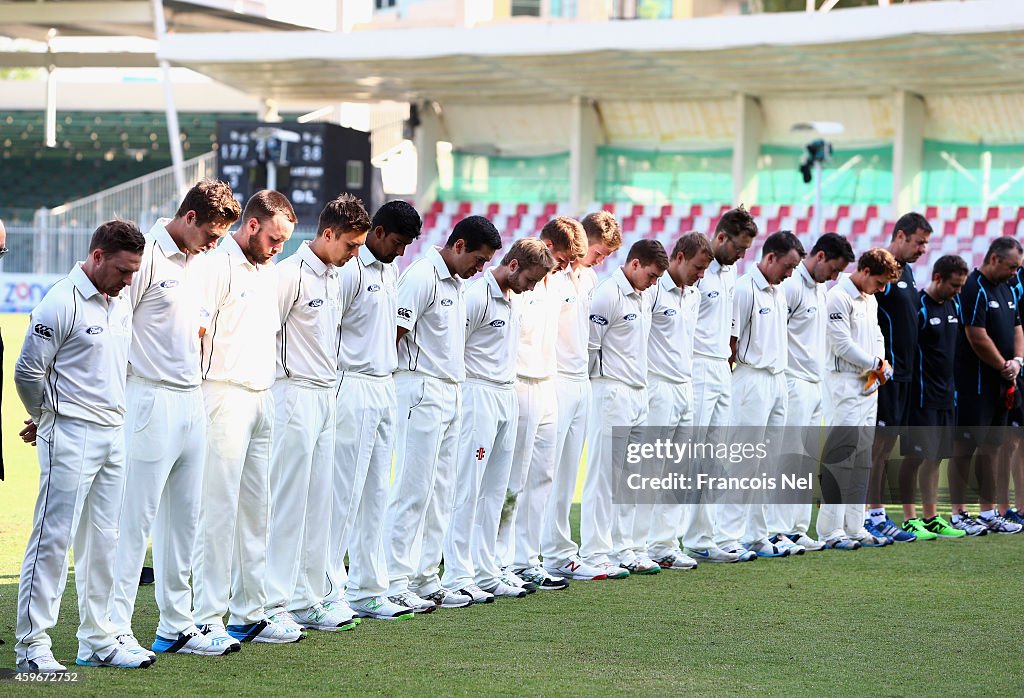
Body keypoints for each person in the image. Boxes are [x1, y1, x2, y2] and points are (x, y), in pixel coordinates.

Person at [109, 180, 241, 659]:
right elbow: (114, 330)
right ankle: (114, 628)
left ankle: (176, 625)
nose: (215, 242)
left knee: (185, 521)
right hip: (148, 397)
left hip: (191, 399)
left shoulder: (201, 263)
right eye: (211, 232)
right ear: (188, 218)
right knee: (134, 519)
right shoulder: (144, 258)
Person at [14, 220, 148, 672]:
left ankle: (98, 638)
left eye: (134, 271)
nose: (129, 280)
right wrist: (49, 416)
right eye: (123, 270)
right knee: (53, 539)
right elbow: (27, 373)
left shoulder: (120, 297)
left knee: (106, 539)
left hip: (114, 432)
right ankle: (32, 647)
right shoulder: (60, 303)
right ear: (96, 257)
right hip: (70, 434)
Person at [192, 190, 300, 645]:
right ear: (251, 225)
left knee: (257, 510)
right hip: (222, 394)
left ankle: (248, 612)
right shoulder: (215, 266)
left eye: (284, 241)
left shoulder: (270, 271)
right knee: (216, 510)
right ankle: (205, 616)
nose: (278, 247)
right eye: (274, 237)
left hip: (261, 395)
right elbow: (195, 334)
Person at [383, 215, 501, 610]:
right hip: (420, 387)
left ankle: (425, 576)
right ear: (460, 244)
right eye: (479, 259)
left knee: (440, 491)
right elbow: (394, 336)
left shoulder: (456, 283)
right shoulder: (421, 276)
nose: (481, 268)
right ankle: (394, 578)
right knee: (413, 488)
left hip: (451, 391)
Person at [264, 194, 370, 633]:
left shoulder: (334, 277)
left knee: (319, 502)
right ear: (327, 234)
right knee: (286, 502)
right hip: (292, 394)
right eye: (351, 244)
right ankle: (270, 602)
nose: (355, 254)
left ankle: (308, 599)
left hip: (327, 393)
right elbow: (262, 335)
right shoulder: (288, 275)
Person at [442, 238, 555, 602]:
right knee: (468, 486)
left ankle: (486, 569)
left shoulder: (513, 299)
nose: (532, 287)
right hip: (478, 393)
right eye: (531, 279)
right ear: (513, 266)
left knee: (498, 489)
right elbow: (453, 348)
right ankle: (458, 573)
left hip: (507, 393)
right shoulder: (475, 296)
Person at [326, 200, 422, 620]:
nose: (401, 252)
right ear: (378, 232)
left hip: (385, 385)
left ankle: (368, 588)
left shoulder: (391, 269)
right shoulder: (348, 268)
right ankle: (328, 590)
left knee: (375, 492)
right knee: (342, 493)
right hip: (352, 382)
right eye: (398, 243)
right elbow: (329, 332)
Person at [499, 216, 585, 591]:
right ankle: (499, 561)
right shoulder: (521, 281)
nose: (565, 267)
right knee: (509, 480)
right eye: (562, 258)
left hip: (548, 383)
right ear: (546, 246)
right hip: (517, 383)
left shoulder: (559, 282)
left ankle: (526, 559)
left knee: (541, 477)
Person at [581, 239, 669, 575]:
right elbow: (591, 347)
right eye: (651, 274)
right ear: (634, 264)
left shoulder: (643, 296)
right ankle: (594, 552)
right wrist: (598, 390)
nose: (654, 281)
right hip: (610, 390)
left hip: (637, 391)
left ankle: (625, 547)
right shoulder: (607, 294)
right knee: (604, 476)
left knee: (633, 477)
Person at [542, 211, 621, 581]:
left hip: (582, 380)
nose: (600, 260)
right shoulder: (552, 276)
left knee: (568, 472)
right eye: (599, 252)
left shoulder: (590, 279)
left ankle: (559, 553)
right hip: (553, 377)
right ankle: (533, 552)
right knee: (544, 472)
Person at [768, 232, 854, 552]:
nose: (834, 277)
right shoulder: (791, 286)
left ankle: (797, 527)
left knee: (806, 460)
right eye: (833, 269)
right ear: (819, 256)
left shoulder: (819, 288)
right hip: (792, 380)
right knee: (787, 458)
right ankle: (776, 528)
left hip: (815, 383)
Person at [683, 207, 758, 564]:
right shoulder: (698, 272)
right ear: (722, 237)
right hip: (696, 365)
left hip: (721, 369)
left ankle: (702, 537)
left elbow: (729, 330)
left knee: (715, 457)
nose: (742, 255)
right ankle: (667, 538)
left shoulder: (731, 273)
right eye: (739, 247)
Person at [638, 232, 713, 570]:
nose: (701, 275)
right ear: (679, 257)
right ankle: (636, 545)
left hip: (686, 386)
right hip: (658, 385)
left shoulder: (694, 294)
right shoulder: (653, 289)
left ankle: (664, 544)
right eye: (698, 267)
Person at [729, 231, 804, 558]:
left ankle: (758, 534)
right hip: (751, 378)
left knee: (768, 462)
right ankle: (731, 534)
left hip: (777, 379)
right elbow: (731, 342)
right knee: (744, 461)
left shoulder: (779, 291)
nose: (790, 273)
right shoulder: (745, 289)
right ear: (770, 257)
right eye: (787, 266)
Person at [818, 248, 899, 549]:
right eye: (879, 282)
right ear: (865, 272)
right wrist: (875, 365)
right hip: (842, 383)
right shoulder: (838, 296)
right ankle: (830, 531)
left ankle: (855, 526)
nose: (881, 289)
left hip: (868, 384)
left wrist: (880, 365)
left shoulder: (870, 299)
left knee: (863, 457)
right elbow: (841, 344)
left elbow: (877, 335)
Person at [948, 236, 1024, 535]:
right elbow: (975, 334)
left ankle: (989, 511)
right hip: (974, 384)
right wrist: (1002, 365)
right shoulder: (973, 287)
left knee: (993, 447)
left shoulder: (1007, 288)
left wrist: (1017, 360)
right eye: (1012, 267)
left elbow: (1018, 327)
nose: (1016, 273)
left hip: (1001, 384)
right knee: (965, 447)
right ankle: (957, 512)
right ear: (994, 259)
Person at [866, 213, 932, 543]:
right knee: (876, 448)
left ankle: (874, 512)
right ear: (902, 236)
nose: (924, 249)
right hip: (885, 374)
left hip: (905, 375)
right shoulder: (880, 269)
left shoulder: (909, 273)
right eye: (919, 242)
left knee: (886, 448)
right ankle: (871, 514)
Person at [898, 255, 969, 540]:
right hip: (922, 396)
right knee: (914, 458)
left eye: (962, 286)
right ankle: (908, 518)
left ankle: (931, 517)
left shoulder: (955, 304)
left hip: (946, 395)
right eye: (954, 285)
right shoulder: (918, 306)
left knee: (937, 457)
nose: (958, 291)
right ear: (938, 277)